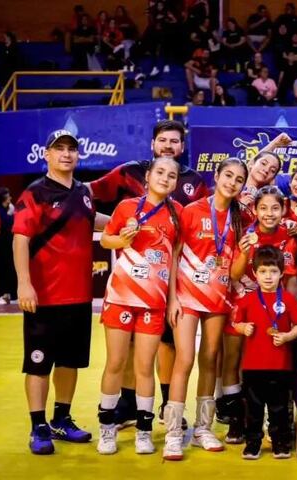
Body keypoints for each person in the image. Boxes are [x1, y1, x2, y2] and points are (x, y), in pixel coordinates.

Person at [87, 119, 209, 433]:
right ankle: (127, 405)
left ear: (183, 146)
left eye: (174, 141)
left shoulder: (194, 182)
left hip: (173, 280)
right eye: (163, 140)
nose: (168, 146)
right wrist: (114, 227)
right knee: (127, 346)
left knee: (168, 343)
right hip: (130, 284)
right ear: (153, 144)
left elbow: (204, 221)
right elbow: (87, 195)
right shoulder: (128, 172)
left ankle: (169, 405)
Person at [13, 130, 100, 454]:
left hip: (79, 297)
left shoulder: (83, 192)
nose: (66, 154)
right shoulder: (34, 193)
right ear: (46, 155)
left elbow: (94, 219)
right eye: (59, 148)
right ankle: (38, 426)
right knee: (38, 364)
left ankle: (61, 419)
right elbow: (20, 239)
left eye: (71, 149)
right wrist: (24, 282)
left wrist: (130, 220)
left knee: (69, 362)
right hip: (45, 298)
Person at [163, 158, 248, 461]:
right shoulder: (192, 210)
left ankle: (203, 428)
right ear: (217, 175)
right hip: (186, 296)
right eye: (228, 176)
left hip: (218, 297)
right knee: (184, 359)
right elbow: (173, 254)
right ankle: (173, 433)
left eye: (239, 179)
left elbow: (235, 271)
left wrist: (246, 251)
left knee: (210, 358)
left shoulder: (240, 218)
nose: (232, 183)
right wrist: (171, 299)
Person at [96, 157, 182, 455]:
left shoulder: (177, 213)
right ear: (148, 176)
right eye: (160, 172)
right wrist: (122, 240)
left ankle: (144, 432)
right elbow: (105, 240)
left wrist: (172, 299)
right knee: (116, 363)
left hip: (153, 303)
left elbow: (175, 260)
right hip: (120, 298)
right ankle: (106, 428)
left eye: (172, 175)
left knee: (145, 368)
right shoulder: (126, 207)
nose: (165, 178)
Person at [231, 246, 297, 459]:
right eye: (263, 271)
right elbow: (235, 322)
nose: (268, 276)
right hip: (253, 366)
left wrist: (288, 336)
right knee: (253, 409)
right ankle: (253, 442)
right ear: (255, 273)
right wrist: (243, 328)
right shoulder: (248, 299)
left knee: (279, 408)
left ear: (282, 273)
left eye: (273, 271)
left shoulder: (288, 299)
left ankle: (281, 442)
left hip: (280, 365)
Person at [0, 187, 17, 304]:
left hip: (9, 246)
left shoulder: (8, 210)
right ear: (4, 198)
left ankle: (11, 295)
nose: (11, 198)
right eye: (8, 196)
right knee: (0, 270)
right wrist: (11, 214)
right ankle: (0, 295)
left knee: (10, 270)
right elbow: (5, 225)